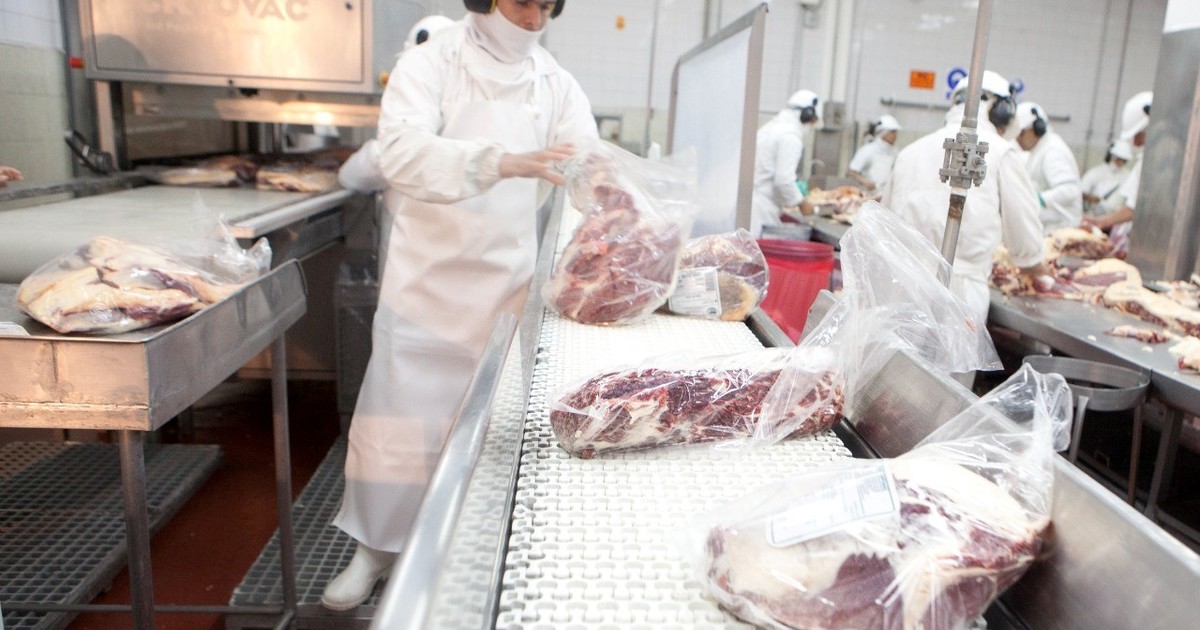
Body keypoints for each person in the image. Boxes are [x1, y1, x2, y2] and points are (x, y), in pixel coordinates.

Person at [322, 0, 598, 611]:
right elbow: (399, 153)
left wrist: (621, 202)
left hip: (503, 295)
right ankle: (374, 550)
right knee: (398, 424)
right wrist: (497, 161)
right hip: (424, 288)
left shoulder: (555, 84)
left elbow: (586, 166)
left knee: (480, 434)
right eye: (521, 3)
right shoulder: (431, 64)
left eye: (545, 6)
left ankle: (457, 558)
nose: (533, 20)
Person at [884, 70, 1045, 326]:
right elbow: (1025, 242)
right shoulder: (1001, 152)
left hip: (900, 288)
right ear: (1001, 110)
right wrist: (1038, 268)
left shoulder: (909, 153)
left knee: (900, 353)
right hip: (960, 295)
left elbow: (884, 227)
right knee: (950, 354)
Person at [1084, 92, 1152, 254]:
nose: (1135, 143)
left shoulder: (1154, 160)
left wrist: (1102, 222)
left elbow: (1132, 208)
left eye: (1137, 135)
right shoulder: (1097, 172)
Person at [751, 89, 821, 237]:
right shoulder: (790, 137)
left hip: (753, 202)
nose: (811, 126)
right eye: (812, 121)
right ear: (806, 115)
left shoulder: (770, 128)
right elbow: (783, 180)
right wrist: (801, 202)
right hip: (762, 208)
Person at [1014, 101, 1083, 233]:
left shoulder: (1053, 150)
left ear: (1037, 129)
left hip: (1061, 229)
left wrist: (1037, 200)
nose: (1017, 139)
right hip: (1048, 228)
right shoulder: (1037, 151)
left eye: (1021, 133)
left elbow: (1069, 189)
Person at [847, 114, 901, 193]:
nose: (895, 135)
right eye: (892, 132)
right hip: (867, 196)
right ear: (883, 132)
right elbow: (851, 172)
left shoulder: (895, 153)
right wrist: (866, 182)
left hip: (885, 195)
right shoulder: (867, 150)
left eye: (896, 132)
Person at [1080, 140, 1132, 217]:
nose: (1120, 162)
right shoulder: (1096, 172)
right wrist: (1091, 198)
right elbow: (1081, 191)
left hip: (1116, 217)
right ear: (1112, 156)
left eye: (1124, 160)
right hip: (1095, 216)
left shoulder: (1128, 175)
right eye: (1118, 158)